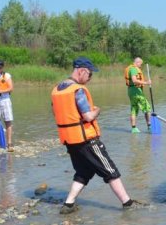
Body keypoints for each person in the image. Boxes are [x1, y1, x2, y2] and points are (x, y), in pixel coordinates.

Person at [53, 57, 143, 214]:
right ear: (81, 71)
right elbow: (88, 116)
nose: (89, 78)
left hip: (69, 140)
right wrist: (97, 110)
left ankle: (68, 205)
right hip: (86, 139)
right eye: (89, 74)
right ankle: (128, 204)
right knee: (110, 170)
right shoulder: (78, 90)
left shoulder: (57, 89)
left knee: (83, 172)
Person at [124, 57, 152, 133]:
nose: (140, 66)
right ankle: (149, 126)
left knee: (134, 108)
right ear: (137, 62)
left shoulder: (131, 68)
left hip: (131, 91)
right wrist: (146, 83)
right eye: (140, 64)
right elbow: (134, 80)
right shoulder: (133, 69)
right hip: (136, 91)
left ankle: (134, 128)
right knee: (147, 108)